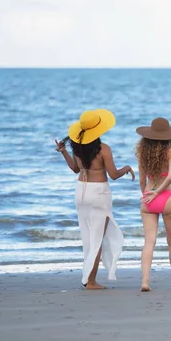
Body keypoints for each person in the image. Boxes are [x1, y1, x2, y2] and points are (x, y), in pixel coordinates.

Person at [55, 109, 135, 289]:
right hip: (98, 193)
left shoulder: (77, 147)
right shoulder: (103, 149)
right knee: (97, 237)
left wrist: (63, 152)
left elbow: (76, 169)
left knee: (88, 238)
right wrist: (127, 168)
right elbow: (113, 174)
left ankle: (88, 277)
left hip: (80, 192)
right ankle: (90, 281)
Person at [135, 117, 171, 292]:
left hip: (147, 199)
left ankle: (145, 281)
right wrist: (158, 192)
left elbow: (142, 180)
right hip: (166, 196)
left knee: (149, 242)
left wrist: (147, 195)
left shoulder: (142, 152)